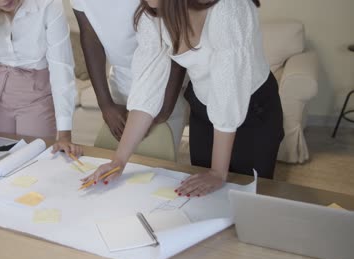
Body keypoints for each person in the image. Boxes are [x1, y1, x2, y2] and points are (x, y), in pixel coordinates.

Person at [82, 0, 284, 196]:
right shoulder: (153, 14)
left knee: (248, 198)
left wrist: (218, 172)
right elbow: (147, 89)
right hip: (203, 108)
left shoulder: (228, 8)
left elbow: (228, 91)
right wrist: (118, 161)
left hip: (253, 109)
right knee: (206, 198)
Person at [0, 0, 82, 156]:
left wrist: (65, 135)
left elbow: (61, 67)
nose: (4, 1)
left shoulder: (48, 5)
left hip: (37, 98)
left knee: (36, 162)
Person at [71, 0, 188, 157]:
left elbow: (177, 36)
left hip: (163, 84)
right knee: (124, 169)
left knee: (158, 167)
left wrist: (166, 107)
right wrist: (105, 104)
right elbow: (89, 36)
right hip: (121, 83)